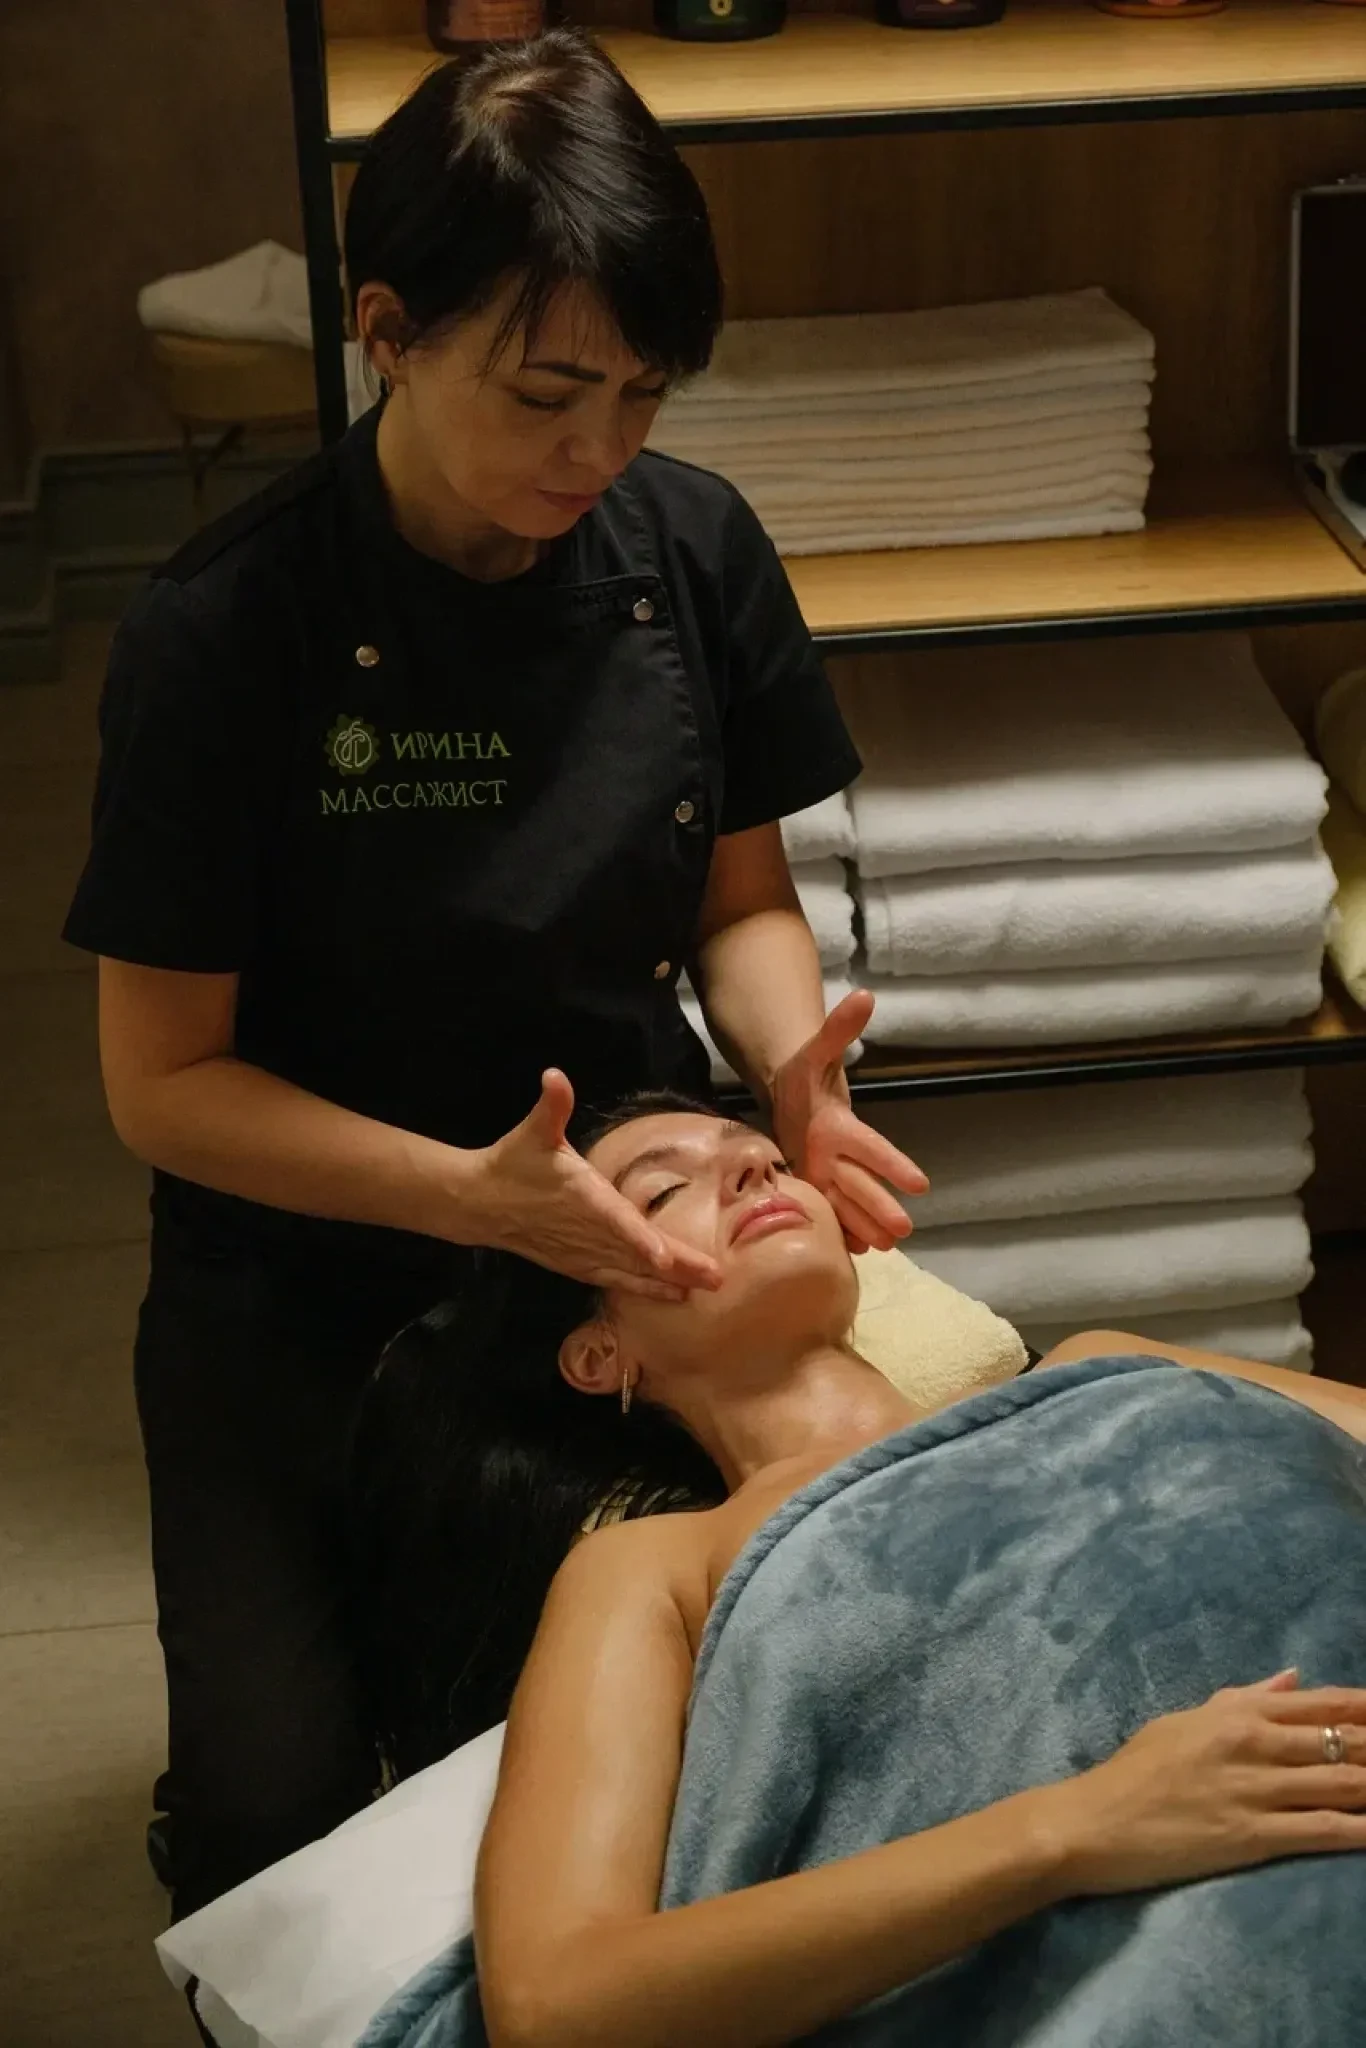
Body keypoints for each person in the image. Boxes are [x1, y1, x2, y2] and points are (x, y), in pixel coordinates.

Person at [60, 33, 923, 1923]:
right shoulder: (226, 631)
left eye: (641, 394)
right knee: (279, 1819)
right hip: (296, 1269)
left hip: (618, 1244)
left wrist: (792, 1068)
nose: (597, 452)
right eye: (547, 393)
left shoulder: (689, 547)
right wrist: (466, 1196)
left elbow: (741, 903)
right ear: (386, 328)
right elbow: (163, 1085)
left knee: (650, 1743)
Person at [351, 1094, 1366, 2048]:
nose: (752, 1168)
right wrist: (1086, 1823)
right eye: (660, 1192)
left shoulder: (1107, 1368)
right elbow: (557, 2000)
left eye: (765, 1156)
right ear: (599, 1354)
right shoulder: (652, 1566)